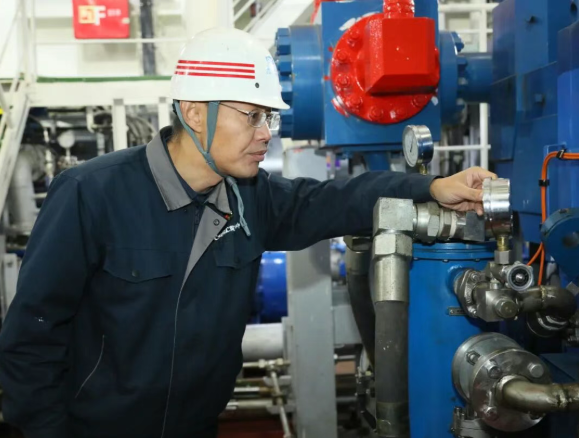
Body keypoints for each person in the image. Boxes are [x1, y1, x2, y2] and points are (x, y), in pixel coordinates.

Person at [0, 27, 495, 438]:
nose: (266, 134)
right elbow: (32, 336)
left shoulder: (249, 197)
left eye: (269, 117)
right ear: (195, 113)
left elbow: (338, 199)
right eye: (252, 116)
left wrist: (431, 186)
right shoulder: (92, 194)